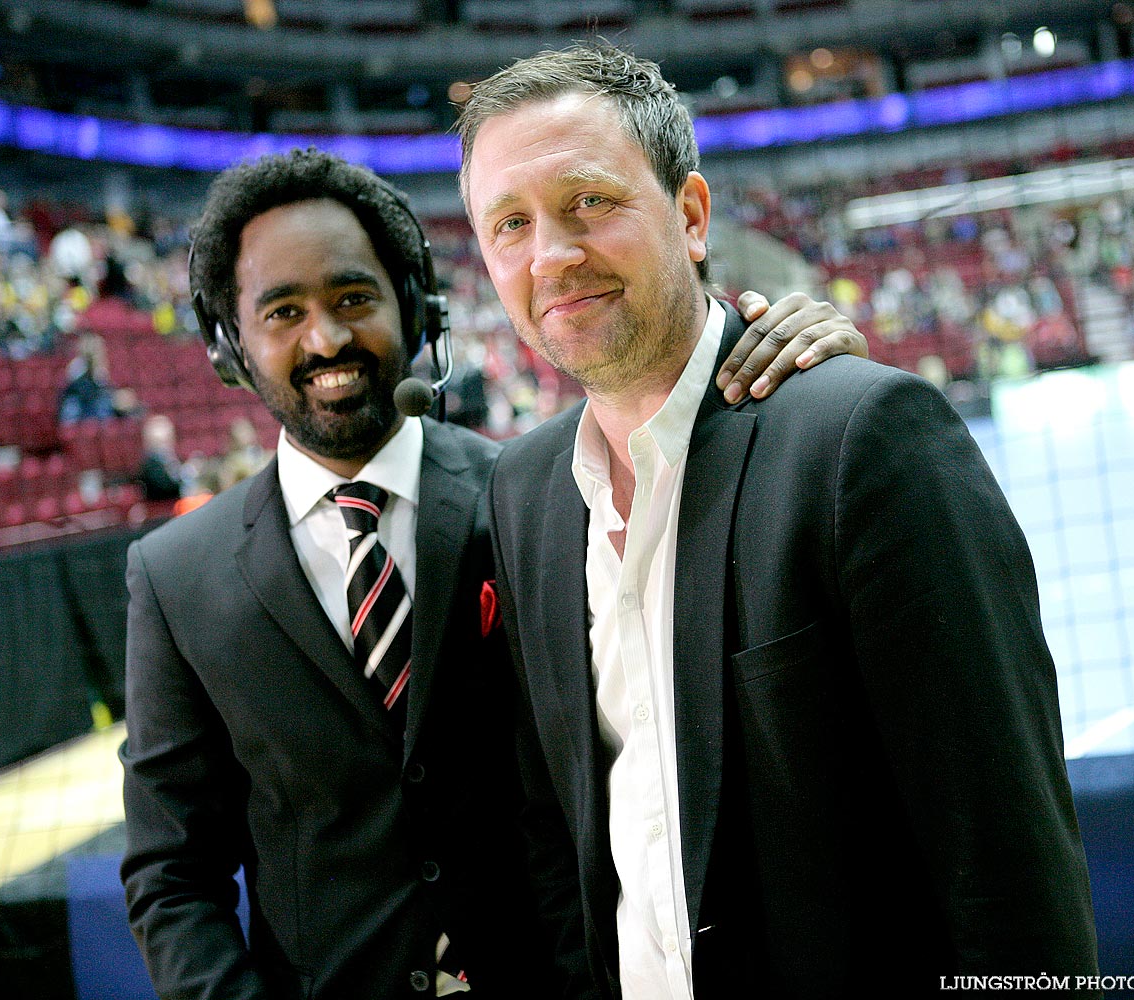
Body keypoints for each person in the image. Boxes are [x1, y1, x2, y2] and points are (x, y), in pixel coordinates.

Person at [118, 147, 868, 1000]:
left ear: (417, 308)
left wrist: (788, 356)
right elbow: (173, 873)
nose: (326, 337)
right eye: (283, 311)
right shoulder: (174, 577)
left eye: (353, 298)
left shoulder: (546, 493)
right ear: (230, 346)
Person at [459, 43, 1099, 998]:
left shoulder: (863, 439)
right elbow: (564, 841)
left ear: (690, 214)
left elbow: (1007, 869)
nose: (551, 254)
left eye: (589, 202)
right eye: (511, 224)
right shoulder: (524, 492)